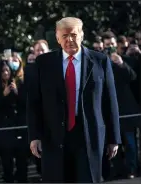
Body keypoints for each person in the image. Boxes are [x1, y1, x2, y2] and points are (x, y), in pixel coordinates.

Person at [27, 17, 121, 183]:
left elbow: (110, 100)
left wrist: (114, 138)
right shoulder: (43, 63)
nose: (69, 40)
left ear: (81, 35)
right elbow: (34, 102)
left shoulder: (99, 61)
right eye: (64, 36)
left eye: (73, 35)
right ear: (57, 38)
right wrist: (34, 136)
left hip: (88, 135)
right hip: (54, 136)